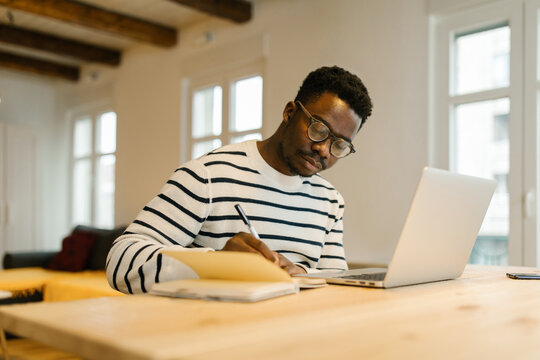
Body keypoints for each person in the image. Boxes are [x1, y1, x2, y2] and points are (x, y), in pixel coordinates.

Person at [106, 66, 373, 294]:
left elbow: (337, 283)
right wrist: (221, 265)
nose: (324, 150)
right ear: (290, 112)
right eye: (318, 129)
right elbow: (121, 261)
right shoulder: (208, 175)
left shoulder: (330, 201)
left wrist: (301, 272)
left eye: (340, 145)